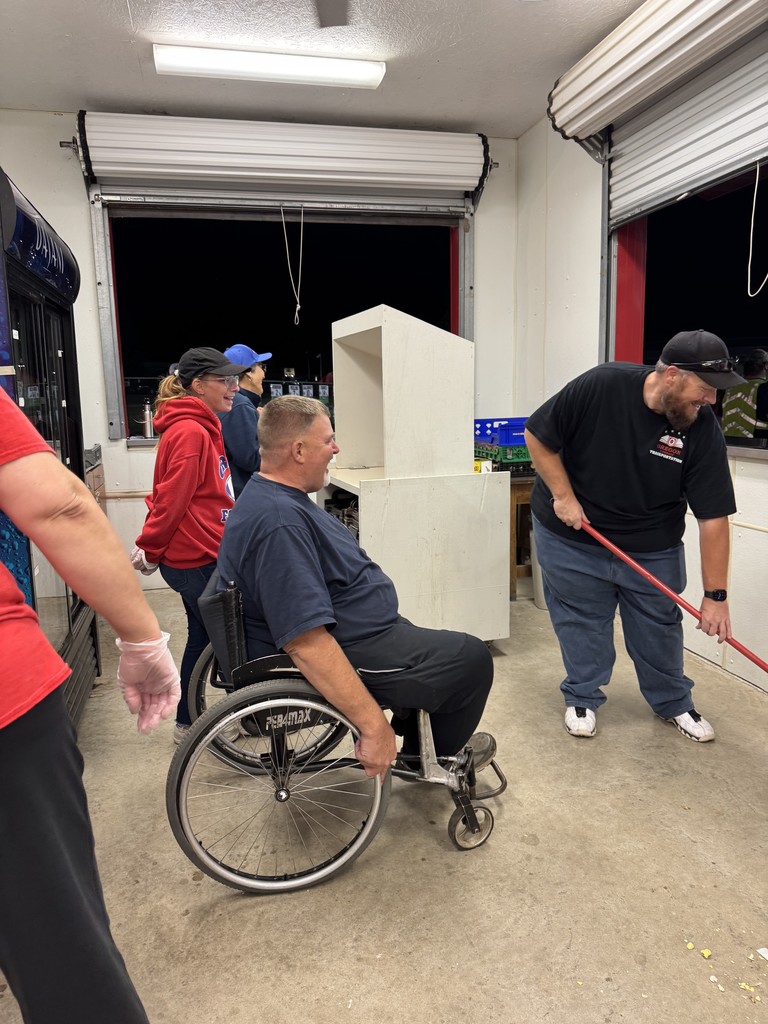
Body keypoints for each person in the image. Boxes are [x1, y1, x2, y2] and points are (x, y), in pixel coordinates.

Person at [0, 386, 180, 1023]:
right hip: (7, 713)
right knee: (60, 950)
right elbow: (58, 506)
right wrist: (142, 634)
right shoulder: (195, 432)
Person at [216, 395, 495, 779]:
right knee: (472, 659)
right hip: (350, 644)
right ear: (298, 450)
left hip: (363, 628)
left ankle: (419, 731)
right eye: (328, 440)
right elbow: (307, 642)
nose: (336, 448)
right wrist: (374, 727)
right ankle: (425, 760)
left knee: (431, 644)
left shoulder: (272, 495)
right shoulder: (280, 523)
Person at [524, 329, 745, 743]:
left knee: (658, 625)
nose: (711, 401)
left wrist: (717, 596)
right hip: (574, 533)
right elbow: (538, 435)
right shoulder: (601, 385)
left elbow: (713, 516)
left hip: (650, 543)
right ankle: (582, 695)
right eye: (706, 389)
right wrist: (563, 495)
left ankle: (673, 701)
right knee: (581, 619)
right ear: (673, 376)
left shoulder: (701, 429)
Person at [131, 346, 248, 743]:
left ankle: (192, 721)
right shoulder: (191, 431)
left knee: (204, 638)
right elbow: (171, 499)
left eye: (236, 379)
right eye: (226, 381)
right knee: (220, 638)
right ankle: (205, 721)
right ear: (198, 385)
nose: (235, 387)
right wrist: (149, 548)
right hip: (192, 557)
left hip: (203, 551)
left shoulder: (200, 425)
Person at [220, 343, 272, 497]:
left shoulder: (236, 402)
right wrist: (269, 428)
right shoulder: (240, 405)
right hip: (241, 496)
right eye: (262, 367)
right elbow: (252, 460)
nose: (263, 373)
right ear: (249, 373)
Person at [721, 347, 768, 440]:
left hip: (727, 444)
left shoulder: (729, 389)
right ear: (766, 366)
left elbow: (719, 418)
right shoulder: (764, 388)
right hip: (757, 447)